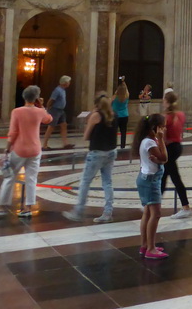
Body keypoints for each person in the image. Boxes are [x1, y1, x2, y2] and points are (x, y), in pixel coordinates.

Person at [0, 86, 52, 217]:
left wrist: (7, 148)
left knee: (9, 177)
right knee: (31, 179)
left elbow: (13, 132)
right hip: (35, 149)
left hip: (19, 149)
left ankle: (1, 206)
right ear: (36, 98)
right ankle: (27, 208)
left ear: (24, 97)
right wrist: (41, 106)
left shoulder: (17, 111)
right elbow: (48, 119)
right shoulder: (39, 112)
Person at [64, 92, 118, 223]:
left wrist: (90, 118)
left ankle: (78, 211)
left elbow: (86, 136)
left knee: (85, 182)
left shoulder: (96, 116)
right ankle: (108, 211)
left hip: (97, 153)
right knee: (107, 182)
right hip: (111, 151)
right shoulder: (114, 115)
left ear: (97, 104)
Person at [134, 113, 168, 259]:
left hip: (147, 178)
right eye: (162, 127)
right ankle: (151, 249)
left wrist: (159, 159)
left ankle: (145, 245)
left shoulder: (147, 140)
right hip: (150, 180)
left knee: (147, 212)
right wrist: (161, 139)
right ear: (155, 127)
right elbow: (165, 158)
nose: (164, 130)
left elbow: (160, 159)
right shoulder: (150, 142)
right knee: (156, 214)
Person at [161, 91, 192, 219]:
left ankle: (186, 207)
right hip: (178, 147)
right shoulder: (181, 114)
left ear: (167, 102)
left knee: (174, 177)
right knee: (164, 176)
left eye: (163, 100)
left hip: (169, 148)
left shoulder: (167, 117)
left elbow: (163, 136)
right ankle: (153, 204)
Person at [42, 75, 74, 151]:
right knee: (51, 126)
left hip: (61, 110)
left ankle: (65, 143)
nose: (69, 83)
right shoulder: (57, 90)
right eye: (68, 82)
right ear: (65, 83)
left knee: (64, 125)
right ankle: (44, 144)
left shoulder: (63, 90)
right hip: (55, 110)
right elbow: (52, 100)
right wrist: (47, 108)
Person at [112, 78, 131, 149]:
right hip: (125, 115)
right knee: (123, 132)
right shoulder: (126, 96)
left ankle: (113, 145)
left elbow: (110, 104)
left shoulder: (115, 97)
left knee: (114, 131)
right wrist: (123, 82)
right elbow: (126, 89)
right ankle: (122, 146)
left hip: (116, 116)